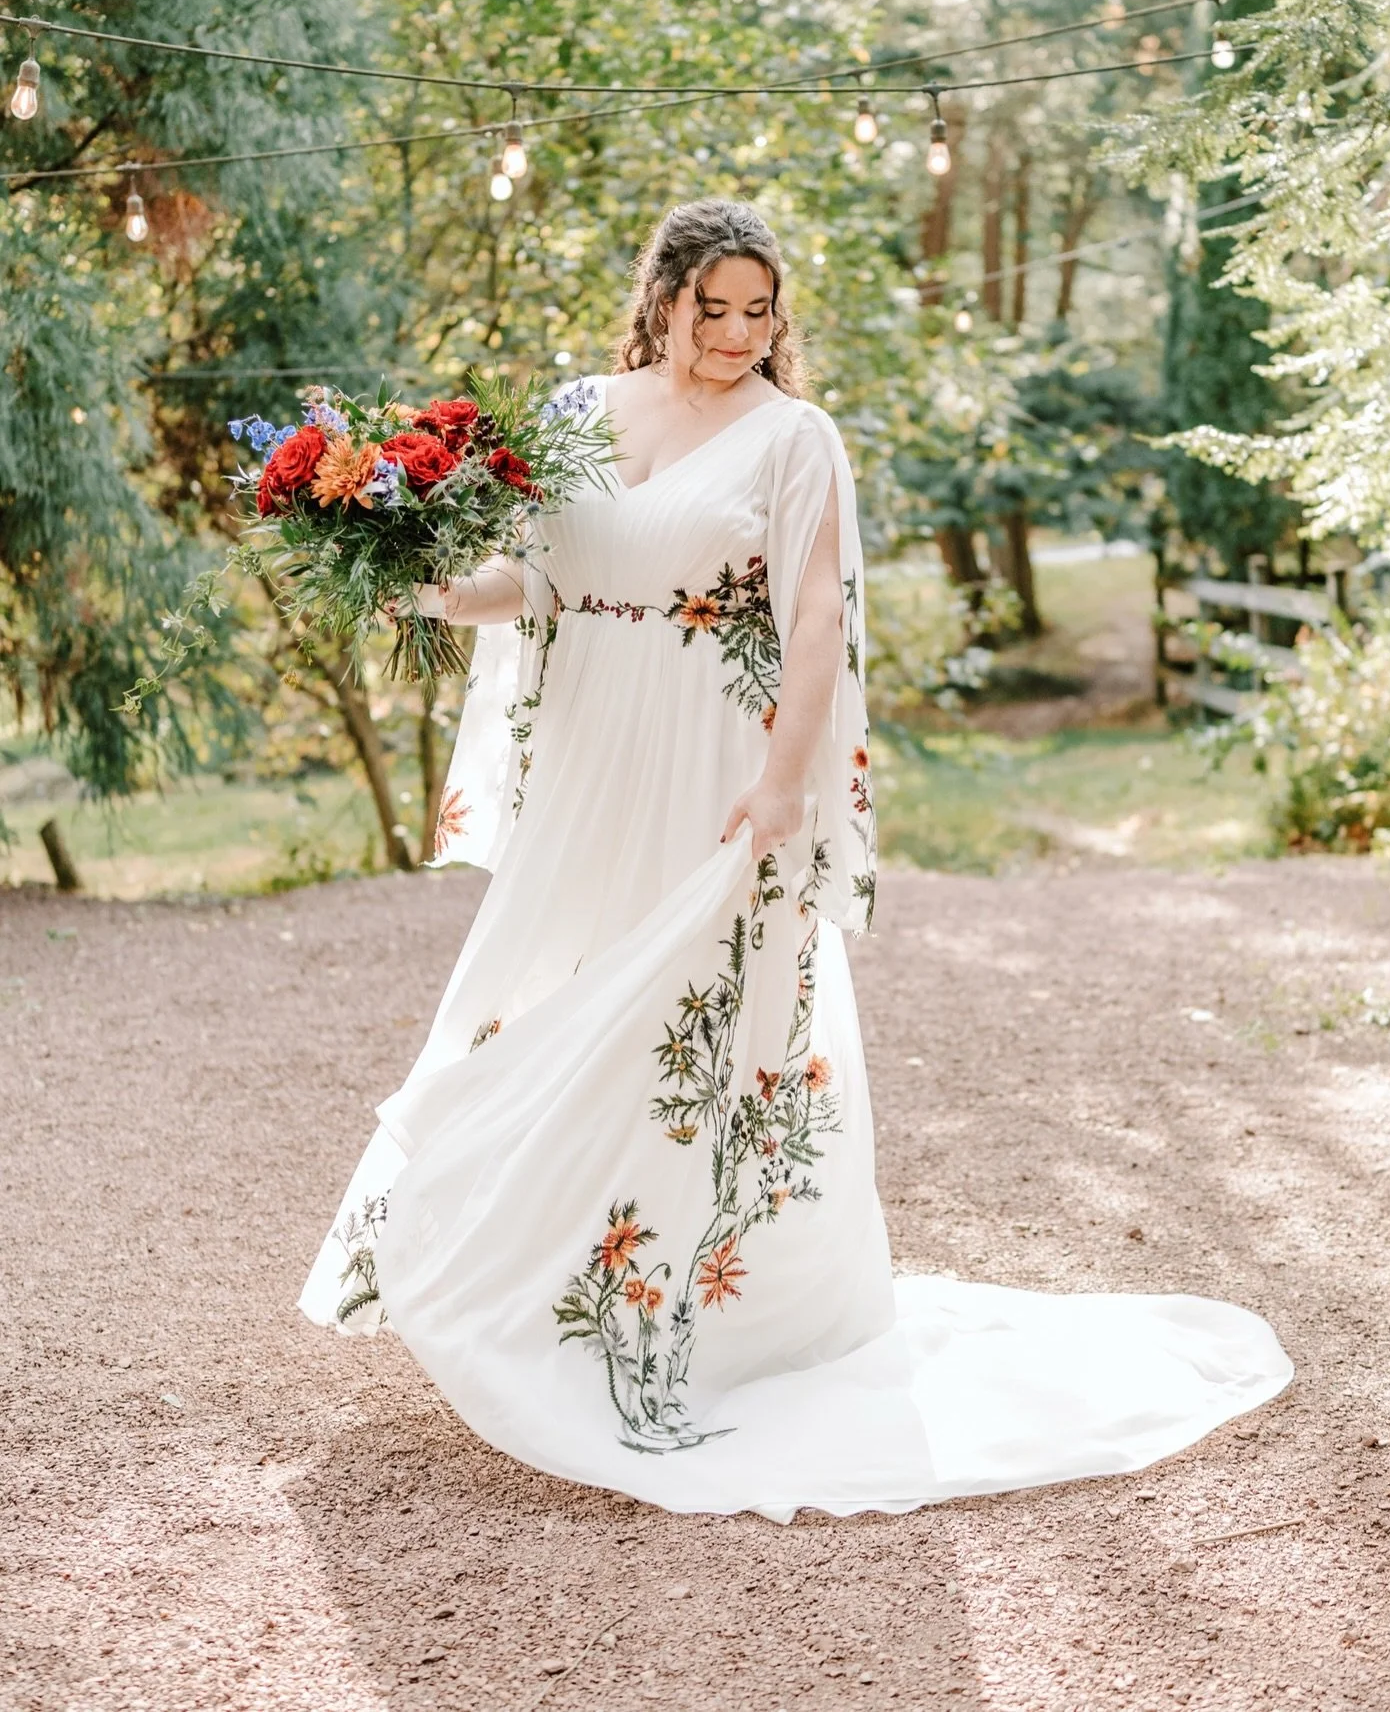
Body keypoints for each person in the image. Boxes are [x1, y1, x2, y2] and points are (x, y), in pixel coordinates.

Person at [301, 198, 1291, 1521]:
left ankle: (673, 1328)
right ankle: (514, 1277)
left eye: (759, 311)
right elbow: (532, 582)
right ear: (660, 298)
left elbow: (817, 612)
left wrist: (782, 782)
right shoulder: (578, 412)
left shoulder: (794, 438)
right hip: (598, 768)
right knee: (545, 995)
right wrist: (412, 580)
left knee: (678, 1037)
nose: (736, 334)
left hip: (719, 771)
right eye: (713, 308)